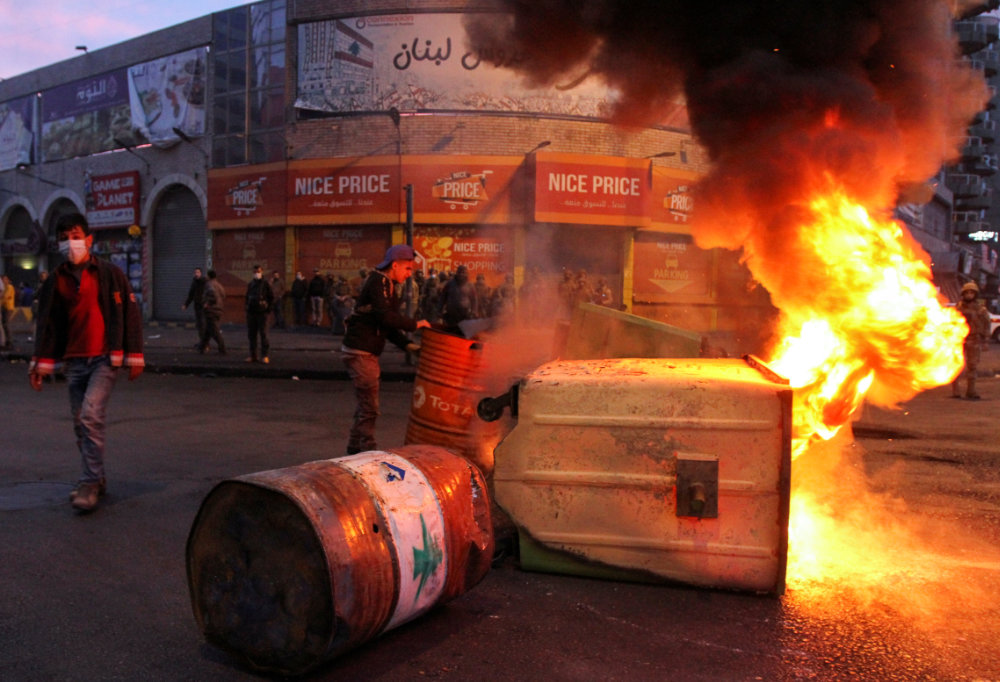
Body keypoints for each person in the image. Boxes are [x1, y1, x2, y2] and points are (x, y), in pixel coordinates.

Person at [28, 213, 144, 513]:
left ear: (89, 239)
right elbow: (47, 323)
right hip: (74, 361)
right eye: (65, 237)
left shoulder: (109, 273)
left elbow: (130, 313)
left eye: (76, 235)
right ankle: (97, 476)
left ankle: (89, 482)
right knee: (81, 423)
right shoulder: (56, 280)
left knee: (91, 415)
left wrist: (134, 355)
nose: (71, 242)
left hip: (104, 358)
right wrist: (39, 363)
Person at [341, 244, 430, 454]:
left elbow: (386, 324)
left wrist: (407, 345)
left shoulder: (387, 286)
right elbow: (385, 317)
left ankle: (354, 448)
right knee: (370, 408)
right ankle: (367, 451)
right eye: (408, 269)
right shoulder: (379, 281)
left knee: (365, 405)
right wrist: (415, 325)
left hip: (365, 351)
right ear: (396, 265)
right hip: (361, 351)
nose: (409, 275)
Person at [951, 281, 991, 400]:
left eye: (972, 292)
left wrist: (986, 341)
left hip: (974, 339)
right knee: (956, 365)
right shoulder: (958, 308)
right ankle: (956, 391)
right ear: (963, 293)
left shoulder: (981, 310)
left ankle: (971, 391)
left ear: (975, 294)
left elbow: (986, 325)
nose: (969, 295)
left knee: (972, 366)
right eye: (967, 292)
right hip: (960, 340)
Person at [245, 264, 274, 363]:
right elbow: (247, 297)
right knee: (252, 335)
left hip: (262, 313)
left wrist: (268, 310)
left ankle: (265, 356)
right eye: (255, 272)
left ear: (262, 272)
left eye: (258, 272)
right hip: (252, 313)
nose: (256, 274)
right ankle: (253, 356)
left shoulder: (265, 284)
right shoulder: (251, 284)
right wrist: (247, 309)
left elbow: (271, 297)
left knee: (263, 334)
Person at [438, 264, 479, 333]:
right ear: (456, 273)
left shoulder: (470, 285)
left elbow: (474, 299)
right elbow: (443, 296)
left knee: (462, 332)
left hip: (465, 314)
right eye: (459, 272)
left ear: (466, 274)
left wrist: (474, 311)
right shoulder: (450, 284)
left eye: (463, 272)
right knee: (450, 331)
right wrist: (439, 309)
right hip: (451, 314)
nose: (461, 274)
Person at [199, 269, 226, 354]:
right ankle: (202, 347)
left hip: (211, 311)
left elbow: (213, 295)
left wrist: (207, 303)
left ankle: (222, 348)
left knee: (214, 331)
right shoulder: (219, 285)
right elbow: (223, 295)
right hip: (218, 310)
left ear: (209, 276)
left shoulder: (209, 284)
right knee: (208, 330)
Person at [181, 267, 206, 348]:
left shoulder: (204, 282)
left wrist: (207, 303)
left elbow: (208, 293)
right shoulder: (194, 282)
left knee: (203, 325)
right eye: (195, 272)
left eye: (198, 272)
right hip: (197, 306)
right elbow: (191, 295)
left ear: (201, 273)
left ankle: (205, 343)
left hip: (203, 306)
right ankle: (202, 342)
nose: (196, 274)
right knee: (199, 325)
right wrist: (186, 305)